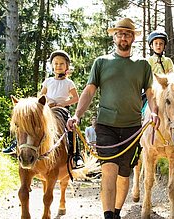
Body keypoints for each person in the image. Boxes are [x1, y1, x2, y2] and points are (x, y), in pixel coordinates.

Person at [66, 17, 160, 219]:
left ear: (133, 38)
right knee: (109, 171)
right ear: (114, 37)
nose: (123, 37)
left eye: (127, 33)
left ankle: (116, 212)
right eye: (119, 33)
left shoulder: (143, 65)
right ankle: (108, 216)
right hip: (106, 126)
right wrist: (77, 115)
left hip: (133, 128)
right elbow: (89, 91)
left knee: (124, 176)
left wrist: (154, 112)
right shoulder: (101, 62)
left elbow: (150, 94)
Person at [3, 50, 79, 160]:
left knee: (71, 129)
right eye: (56, 63)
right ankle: (15, 144)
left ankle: (76, 155)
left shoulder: (69, 83)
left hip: (62, 110)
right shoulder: (48, 81)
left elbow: (76, 98)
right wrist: (47, 101)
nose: (58, 66)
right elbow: (41, 94)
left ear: (67, 66)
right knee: (28, 123)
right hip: (48, 109)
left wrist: (63, 103)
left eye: (61, 64)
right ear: (52, 66)